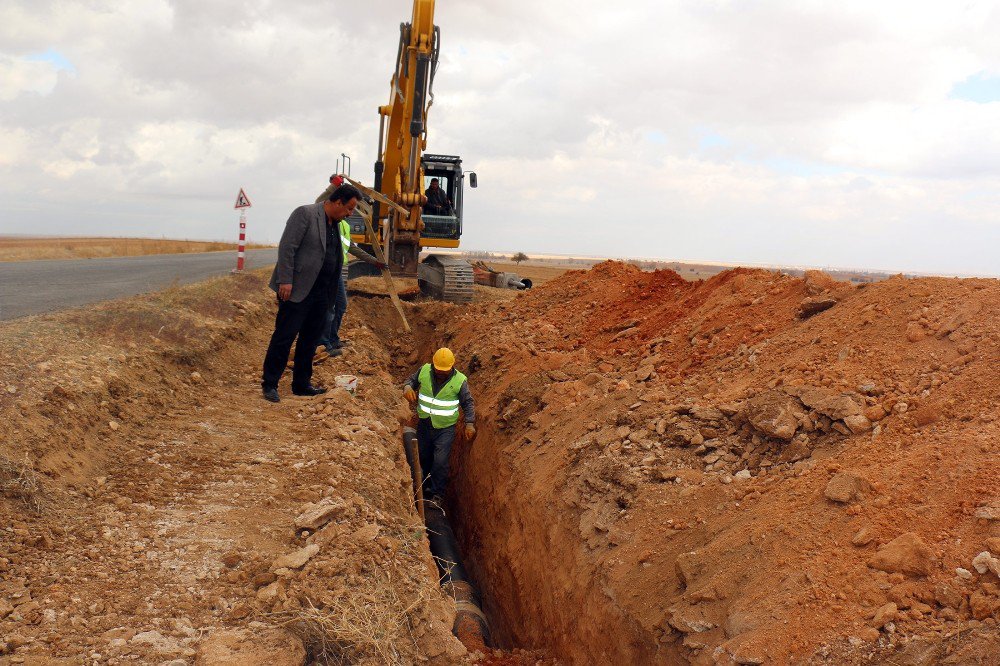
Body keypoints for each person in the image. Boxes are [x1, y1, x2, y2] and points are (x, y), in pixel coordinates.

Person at [261, 184, 378, 403]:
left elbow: (339, 253)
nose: (351, 214)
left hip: (322, 293)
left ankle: (301, 384)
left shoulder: (337, 224)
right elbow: (287, 247)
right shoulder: (305, 214)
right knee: (284, 337)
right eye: (350, 208)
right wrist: (285, 280)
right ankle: (270, 384)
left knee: (310, 340)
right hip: (297, 289)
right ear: (337, 202)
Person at [312, 178, 384, 355]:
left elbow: (352, 247)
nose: (351, 213)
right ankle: (323, 343)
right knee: (328, 308)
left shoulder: (343, 225)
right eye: (350, 208)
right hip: (326, 271)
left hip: (336, 271)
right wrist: (333, 186)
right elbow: (319, 203)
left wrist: (374, 261)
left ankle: (333, 339)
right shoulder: (328, 220)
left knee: (341, 305)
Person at [403, 348, 476, 504]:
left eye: (445, 370)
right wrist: (407, 387)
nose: (441, 373)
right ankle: (423, 486)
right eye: (438, 369)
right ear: (433, 365)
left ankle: (437, 494)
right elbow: (410, 381)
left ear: (452, 367)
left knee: (440, 461)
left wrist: (469, 423)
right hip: (424, 424)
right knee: (423, 456)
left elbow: (468, 403)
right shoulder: (424, 371)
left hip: (445, 429)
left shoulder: (459, 380)